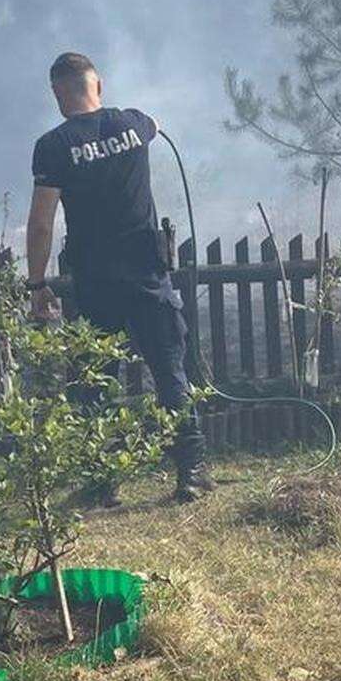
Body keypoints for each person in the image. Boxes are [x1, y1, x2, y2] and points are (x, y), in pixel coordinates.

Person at [27, 52, 212, 501]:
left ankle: (100, 482)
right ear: (98, 85)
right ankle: (193, 473)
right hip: (148, 274)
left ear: (57, 93)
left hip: (96, 283)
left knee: (93, 384)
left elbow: (41, 222)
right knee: (170, 375)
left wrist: (36, 284)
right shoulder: (135, 124)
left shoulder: (53, 147)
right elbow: (156, 124)